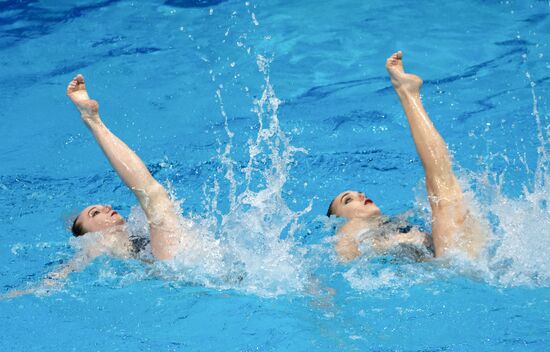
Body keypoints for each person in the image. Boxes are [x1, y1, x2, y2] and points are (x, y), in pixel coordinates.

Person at [4, 75, 184, 298]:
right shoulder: (101, 240)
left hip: (180, 267)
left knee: (155, 198)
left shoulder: (133, 232)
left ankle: (93, 121)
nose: (106, 208)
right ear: (89, 233)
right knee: (154, 197)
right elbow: (68, 269)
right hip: (171, 269)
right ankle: (93, 121)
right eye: (95, 213)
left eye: (100, 206)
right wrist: (26, 290)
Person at [327, 51, 486, 261]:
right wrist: (394, 242)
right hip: (450, 267)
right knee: (441, 190)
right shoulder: (347, 229)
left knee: (443, 188)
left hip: (456, 263)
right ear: (341, 219)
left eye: (356, 192)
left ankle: (408, 93)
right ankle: (408, 94)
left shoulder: (392, 223)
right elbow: (345, 257)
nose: (359, 195)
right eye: (348, 201)